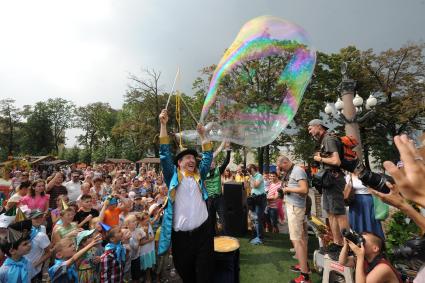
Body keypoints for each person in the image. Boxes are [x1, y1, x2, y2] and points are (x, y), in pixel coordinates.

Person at [158, 109, 214, 282]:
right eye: (187, 158)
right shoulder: (173, 177)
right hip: (181, 239)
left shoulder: (200, 175)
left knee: (204, 274)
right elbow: (165, 154)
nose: (191, 160)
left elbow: (208, 156)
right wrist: (163, 125)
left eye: (192, 157)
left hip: (204, 233)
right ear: (179, 163)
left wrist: (203, 135)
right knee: (186, 273)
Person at [308, 119, 349, 248]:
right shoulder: (323, 140)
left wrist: (318, 158)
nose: (309, 132)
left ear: (319, 127)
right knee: (330, 212)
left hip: (334, 179)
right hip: (328, 181)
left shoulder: (329, 139)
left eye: (310, 129)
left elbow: (336, 161)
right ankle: (337, 243)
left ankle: (347, 245)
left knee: (338, 213)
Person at [277, 156, 310, 283]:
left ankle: (305, 277)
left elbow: (304, 190)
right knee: (300, 239)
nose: (280, 170)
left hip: (296, 208)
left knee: (296, 240)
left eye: (281, 167)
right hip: (293, 207)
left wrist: (287, 189)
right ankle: (304, 266)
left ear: (285, 162)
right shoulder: (291, 171)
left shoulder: (297, 170)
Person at [346, 170, 385, 239]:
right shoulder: (348, 177)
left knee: (371, 222)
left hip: (368, 201)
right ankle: (359, 243)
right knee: (357, 223)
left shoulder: (368, 174)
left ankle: (376, 241)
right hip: (355, 202)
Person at [205, 143, 231, 235]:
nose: (211, 163)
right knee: (210, 220)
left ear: (214, 163)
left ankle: (226, 237)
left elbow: (226, 161)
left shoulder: (218, 170)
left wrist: (228, 150)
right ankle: (212, 238)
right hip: (209, 199)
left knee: (224, 219)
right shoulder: (203, 172)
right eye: (210, 162)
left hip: (219, 198)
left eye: (213, 162)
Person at [25, 209, 51, 283]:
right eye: (36, 218)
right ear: (29, 219)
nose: (39, 219)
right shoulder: (24, 231)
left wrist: (36, 264)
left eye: (41, 217)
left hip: (36, 269)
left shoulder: (43, 228)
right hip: (23, 268)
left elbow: (48, 252)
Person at [247, 164, 266, 245]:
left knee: (258, 219)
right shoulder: (252, 177)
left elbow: (256, 185)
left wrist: (250, 177)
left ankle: (260, 238)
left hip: (260, 199)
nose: (248, 170)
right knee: (254, 218)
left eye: (249, 169)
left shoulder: (259, 176)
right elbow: (246, 186)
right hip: (254, 199)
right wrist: (246, 179)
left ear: (252, 169)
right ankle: (257, 235)